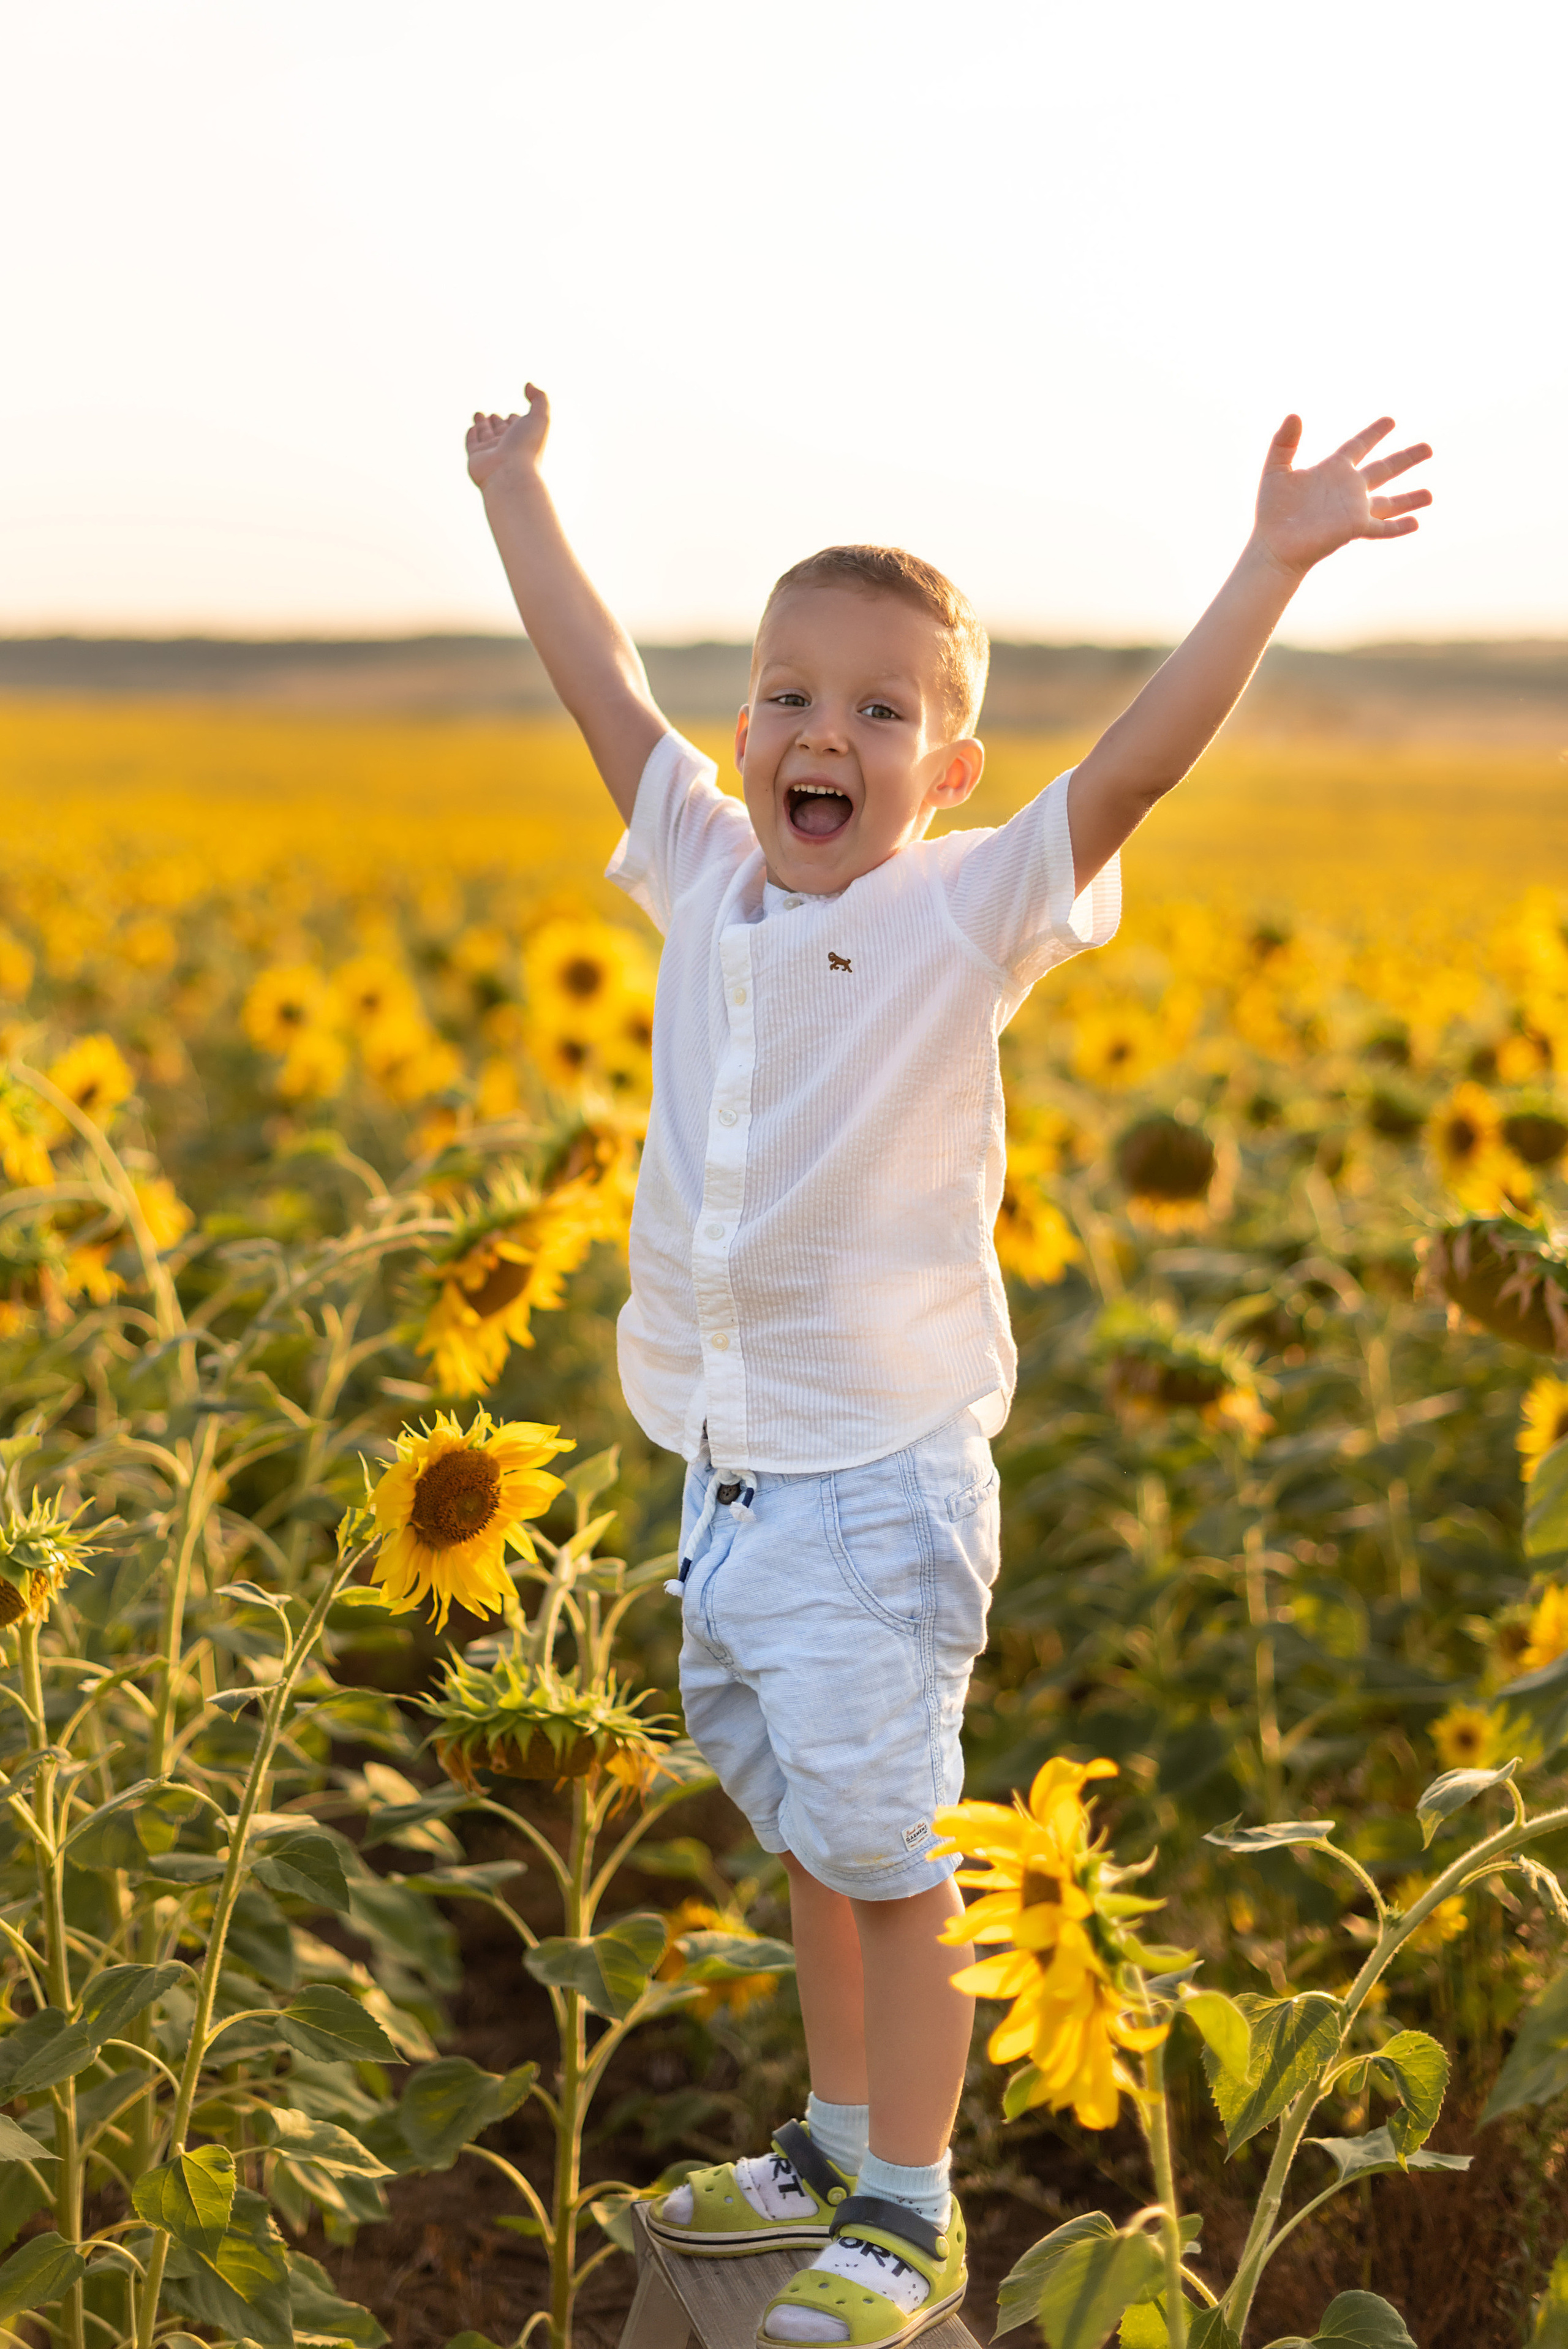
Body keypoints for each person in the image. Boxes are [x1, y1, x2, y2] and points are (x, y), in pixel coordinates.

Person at [466, 393, 1431, 2347]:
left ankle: (909, 2208)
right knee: (827, 1832)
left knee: (900, 1859)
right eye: (790, 695)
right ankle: (833, 2141)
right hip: (733, 1467)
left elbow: (1139, 769)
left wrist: (1271, 560)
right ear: (746, 733)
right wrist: (519, 492)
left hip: (879, 1480)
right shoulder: (707, 869)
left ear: (950, 766)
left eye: (883, 711)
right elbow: (597, 682)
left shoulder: (959, 910)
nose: (826, 732)